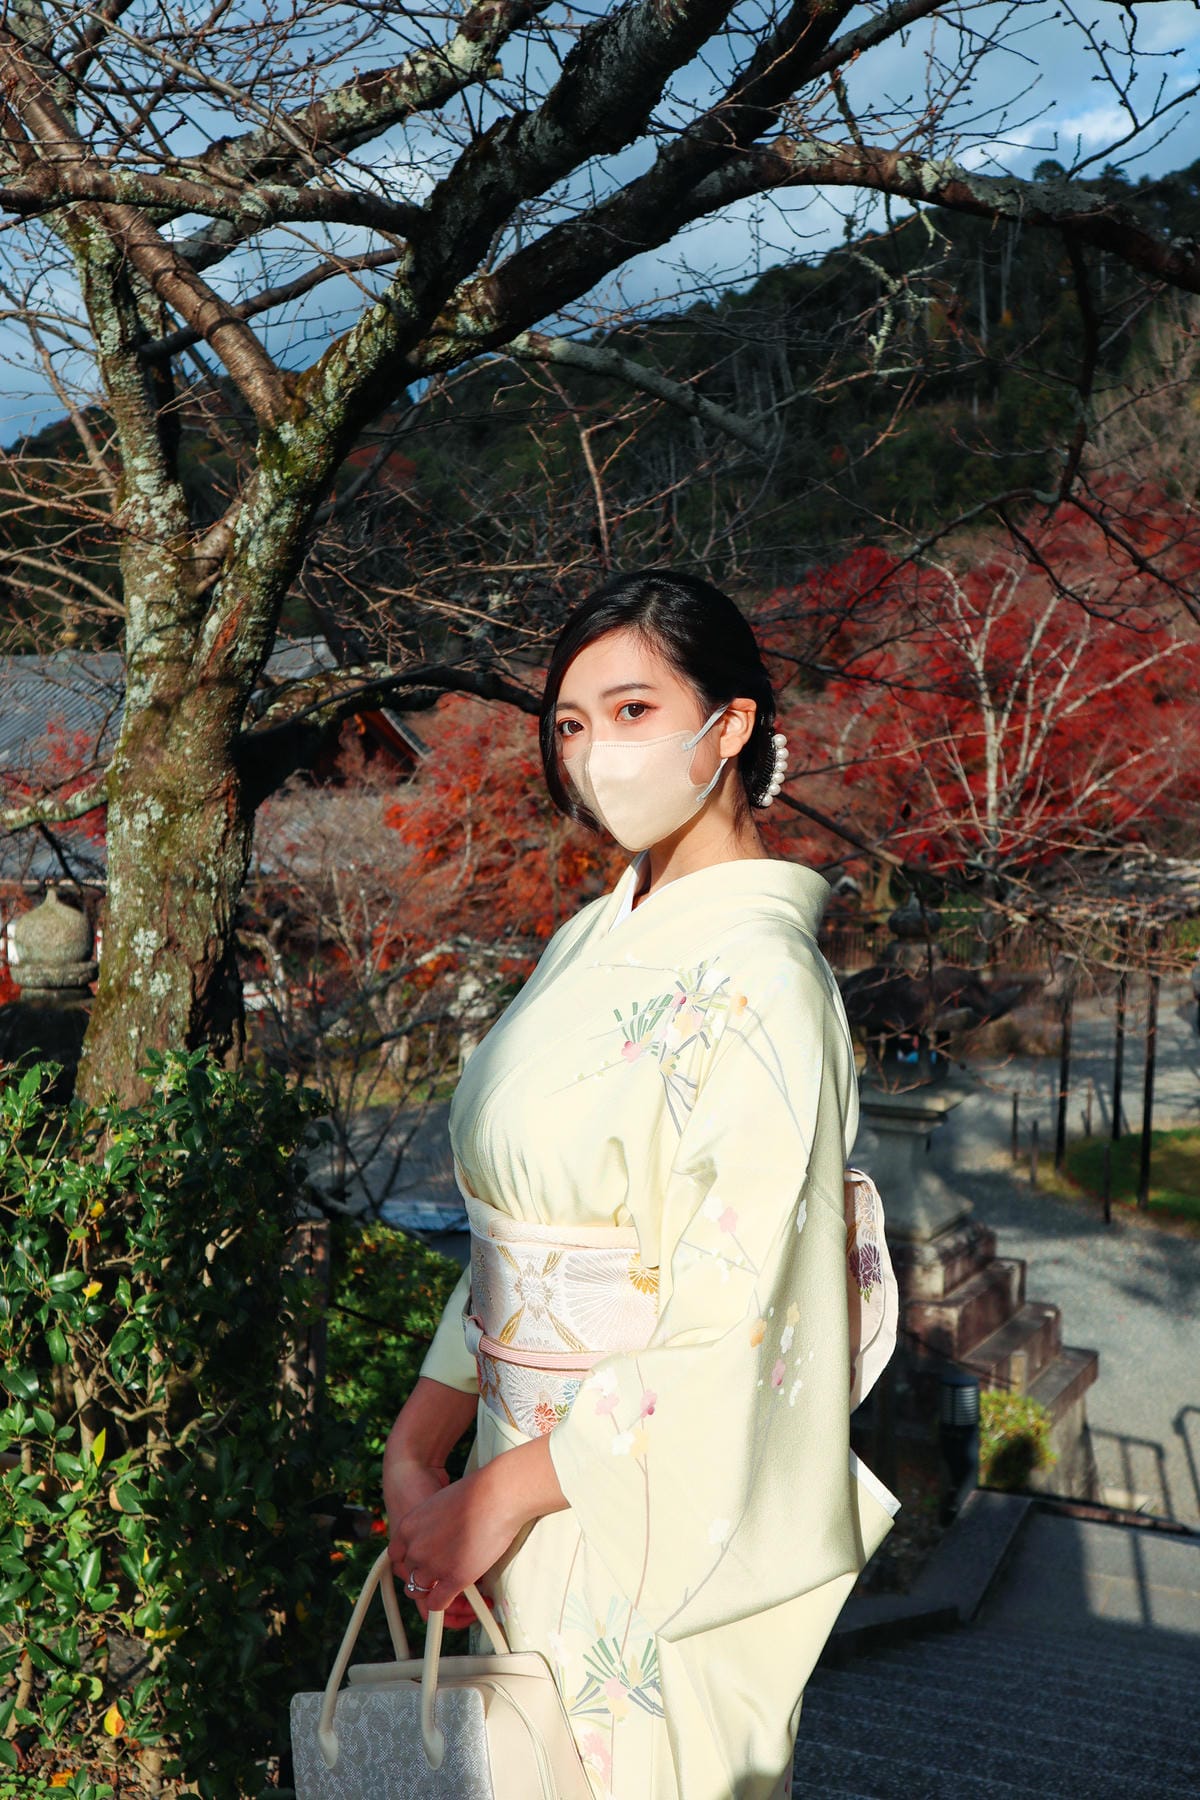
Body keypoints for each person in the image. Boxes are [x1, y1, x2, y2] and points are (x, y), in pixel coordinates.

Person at [382, 570, 900, 1800]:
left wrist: (499, 1495)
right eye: (570, 724)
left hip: (636, 1503)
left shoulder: (768, 980)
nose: (594, 753)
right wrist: (421, 1442)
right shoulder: (588, 937)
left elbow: (740, 1326)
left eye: (631, 712)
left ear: (730, 726)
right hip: (511, 1479)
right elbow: (523, 1239)